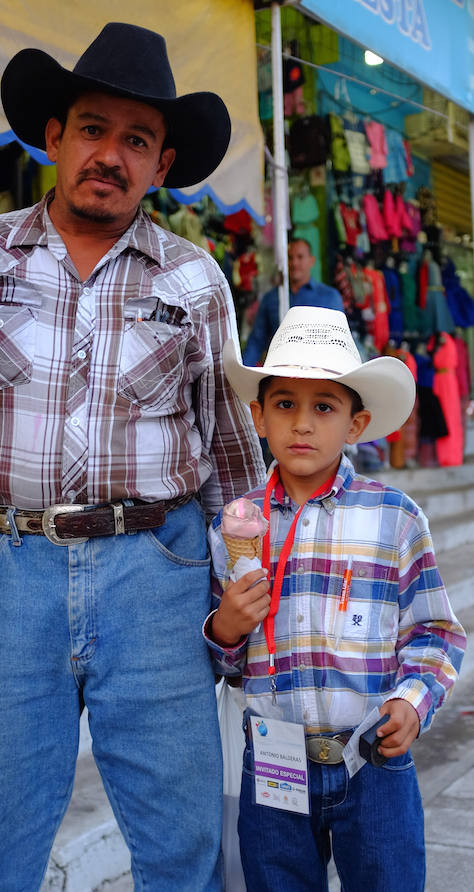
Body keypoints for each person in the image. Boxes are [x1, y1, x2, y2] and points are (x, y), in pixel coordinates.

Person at [0, 23, 266, 892]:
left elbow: (235, 467)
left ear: (162, 166)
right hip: (6, 572)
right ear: (53, 136)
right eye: (93, 129)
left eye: (137, 140)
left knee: (181, 851)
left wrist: (247, 588)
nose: (110, 156)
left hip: (157, 578)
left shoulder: (196, 281)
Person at [205, 306, 466, 892]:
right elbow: (223, 664)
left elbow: (436, 633)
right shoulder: (236, 528)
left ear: (355, 423)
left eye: (324, 406)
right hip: (273, 766)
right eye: (285, 404)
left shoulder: (393, 518)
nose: (303, 424)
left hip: (372, 758)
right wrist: (224, 630)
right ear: (258, 417)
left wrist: (412, 701)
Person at [243, 238, 344, 367]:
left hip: (319, 373)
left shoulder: (329, 297)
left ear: (311, 261)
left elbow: (340, 343)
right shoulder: (271, 298)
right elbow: (256, 341)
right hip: (281, 372)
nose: (294, 263)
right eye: (290, 258)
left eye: (300, 257)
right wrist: (241, 375)